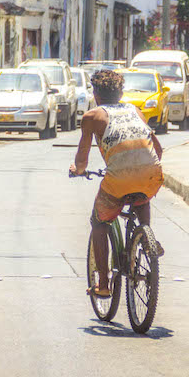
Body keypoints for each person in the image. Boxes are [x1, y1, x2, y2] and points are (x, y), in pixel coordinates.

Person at [69, 70, 164, 298]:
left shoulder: (92, 116)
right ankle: (146, 237)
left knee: (100, 223)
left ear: (96, 94)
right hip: (152, 173)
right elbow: (158, 149)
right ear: (121, 93)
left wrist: (78, 171)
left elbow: (81, 160)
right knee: (142, 196)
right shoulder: (136, 111)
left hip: (119, 179)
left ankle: (103, 284)